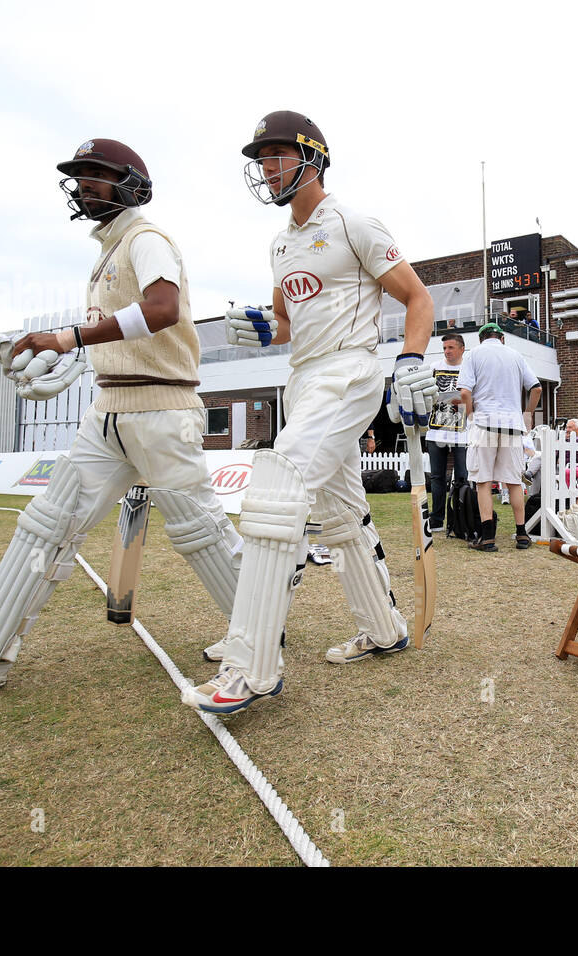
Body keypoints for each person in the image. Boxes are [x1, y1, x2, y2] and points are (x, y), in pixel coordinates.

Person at [0, 137, 245, 689]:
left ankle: (256, 634)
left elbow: (162, 310)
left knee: (199, 532)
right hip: (109, 409)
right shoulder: (104, 256)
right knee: (46, 524)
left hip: (161, 408)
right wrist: (85, 360)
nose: (85, 183)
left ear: (130, 183)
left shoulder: (147, 238)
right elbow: (127, 332)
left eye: (97, 174)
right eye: (80, 175)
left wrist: (69, 337)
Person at [185, 110, 435, 714]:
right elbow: (285, 325)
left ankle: (251, 668)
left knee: (277, 491)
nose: (268, 170)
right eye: (261, 161)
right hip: (302, 379)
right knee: (340, 512)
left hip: (349, 371)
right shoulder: (279, 243)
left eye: (277, 157)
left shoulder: (354, 223)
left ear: (311, 158)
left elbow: (418, 296)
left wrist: (410, 361)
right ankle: (384, 629)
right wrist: (257, 330)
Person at [459, 322, 541, 551]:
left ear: (481, 338)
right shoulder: (515, 355)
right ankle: (522, 534)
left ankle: (487, 537)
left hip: (484, 423)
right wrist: (528, 413)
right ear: (502, 338)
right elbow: (536, 388)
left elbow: (465, 392)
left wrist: (470, 414)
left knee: (483, 481)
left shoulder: (474, 354)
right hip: (512, 424)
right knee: (513, 481)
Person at [427, 332, 469, 533]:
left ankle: (461, 519)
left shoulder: (469, 368)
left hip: (462, 431)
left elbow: (472, 397)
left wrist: (459, 399)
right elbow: (428, 395)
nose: (447, 351)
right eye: (444, 348)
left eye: (451, 347)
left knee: (462, 476)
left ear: (461, 348)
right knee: (437, 477)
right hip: (436, 430)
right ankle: (436, 520)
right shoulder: (433, 367)